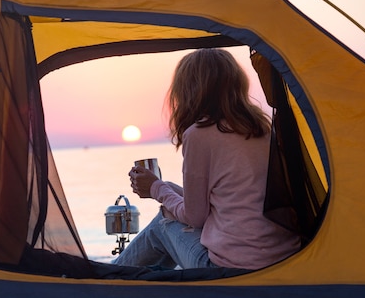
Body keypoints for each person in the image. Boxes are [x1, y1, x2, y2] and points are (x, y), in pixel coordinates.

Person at [113, 48, 300, 270]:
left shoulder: (199, 134)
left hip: (233, 267)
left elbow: (196, 218)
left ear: (189, 91)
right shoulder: (262, 128)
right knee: (169, 201)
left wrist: (155, 189)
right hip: (282, 258)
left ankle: (102, 286)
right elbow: (228, 201)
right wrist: (165, 188)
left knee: (162, 224)